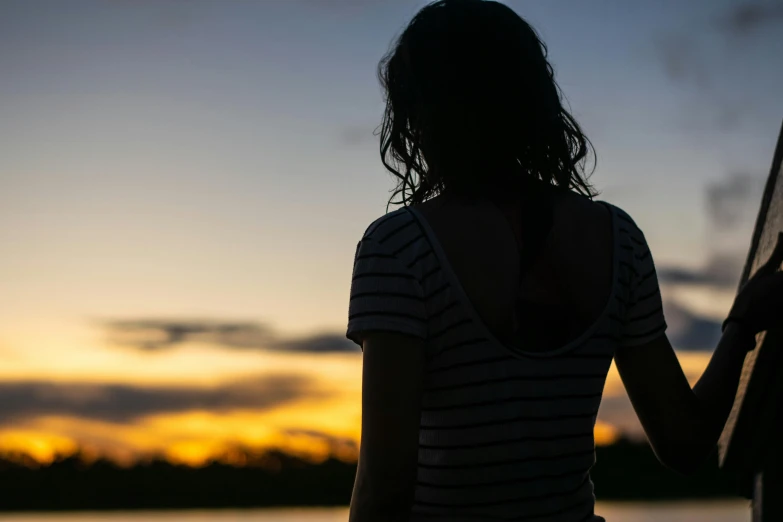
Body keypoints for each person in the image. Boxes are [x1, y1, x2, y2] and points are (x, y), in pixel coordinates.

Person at [345, 1, 783, 521]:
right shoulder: (618, 238)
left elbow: (384, 489)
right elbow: (684, 443)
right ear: (534, 99)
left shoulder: (399, 247)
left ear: (419, 112)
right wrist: (741, 325)